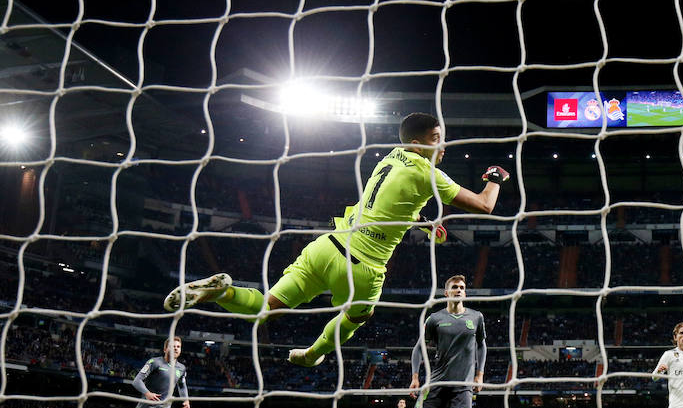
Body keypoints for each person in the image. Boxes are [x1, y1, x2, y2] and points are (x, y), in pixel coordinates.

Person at [162, 112, 510, 368]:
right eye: (437, 137)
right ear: (416, 143)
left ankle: (222, 292)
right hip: (361, 269)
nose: (443, 144)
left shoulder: (390, 157)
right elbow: (485, 204)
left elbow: (391, 199)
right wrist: (495, 176)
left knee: (266, 307)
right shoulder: (427, 172)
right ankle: (314, 354)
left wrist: (419, 222)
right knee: (358, 317)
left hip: (325, 246)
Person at [389, 274, 486, 408]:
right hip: (437, 381)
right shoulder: (434, 319)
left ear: (465, 292)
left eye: (462, 287)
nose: (459, 290)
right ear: (446, 293)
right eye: (455, 287)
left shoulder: (476, 317)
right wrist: (415, 377)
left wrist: (479, 375)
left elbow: (482, 346)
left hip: (463, 384)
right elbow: (418, 348)